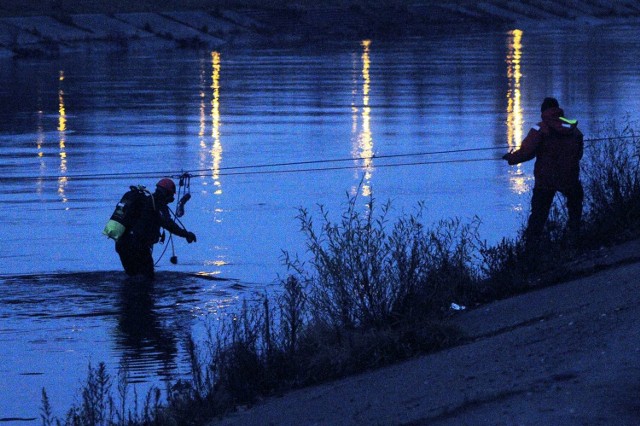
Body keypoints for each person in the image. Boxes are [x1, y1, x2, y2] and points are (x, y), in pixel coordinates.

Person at [502, 97, 584, 245]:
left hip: (546, 179)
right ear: (558, 110)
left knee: (538, 216)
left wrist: (511, 158)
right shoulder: (573, 129)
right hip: (569, 177)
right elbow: (579, 155)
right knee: (575, 207)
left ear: (543, 111)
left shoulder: (540, 129)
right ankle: (575, 238)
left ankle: (531, 249)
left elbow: (527, 152)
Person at [116, 178, 196, 279]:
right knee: (147, 279)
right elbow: (169, 224)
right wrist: (186, 234)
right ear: (167, 193)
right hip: (138, 247)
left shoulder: (145, 201)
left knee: (133, 278)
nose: (171, 199)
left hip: (122, 244)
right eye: (172, 195)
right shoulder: (157, 204)